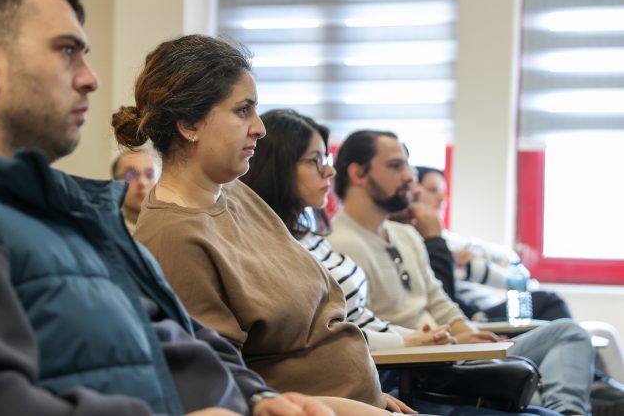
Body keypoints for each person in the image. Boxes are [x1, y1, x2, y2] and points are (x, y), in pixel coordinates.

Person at [0, 0, 336, 415]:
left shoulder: (71, 214)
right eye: (66, 51)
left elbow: (182, 334)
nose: (90, 77)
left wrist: (257, 398)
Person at [116, 34, 408, 415]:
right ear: (189, 123)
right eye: (243, 111)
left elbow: (316, 332)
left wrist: (370, 396)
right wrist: (355, 407)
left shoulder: (235, 193)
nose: (259, 128)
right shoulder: (174, 237)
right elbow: (225, 386)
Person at [240, 109, 570, 416]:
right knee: (557, 345)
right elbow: (328, 337)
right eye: (316, 160)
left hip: (415, 362)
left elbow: (374, 315)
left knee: (559, 341)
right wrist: (412, 340)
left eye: (326, 158)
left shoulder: (316, 239)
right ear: (281, 168)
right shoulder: (309, 244)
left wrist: (447, 333)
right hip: (403, 374)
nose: (329, 169)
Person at [327, 130, 595, 416]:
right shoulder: (337, 244)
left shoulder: (405, 235)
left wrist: (466, 331)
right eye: (396, 166)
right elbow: (364, 330)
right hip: (423, 368)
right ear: (358, 173)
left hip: (456, 354)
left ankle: (566, 410)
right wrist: (450, 341)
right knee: (547, 381)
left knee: (568, 332)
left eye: (407, 165)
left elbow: (438, 298)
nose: (409, 176)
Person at [414, 166, 572, 322]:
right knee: (549, 301)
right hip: (477, 314)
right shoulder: (423, 241)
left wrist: (479, 254)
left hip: (491, 305)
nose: (442, 198)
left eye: (443, 191)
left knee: (550, 325)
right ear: (414, 193)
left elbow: (507, 256)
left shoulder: (451, 239)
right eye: (433, 190)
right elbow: (506, 275)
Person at [111, 148, 159, 233]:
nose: (142, 183)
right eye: (130, 175)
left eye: (149, 175)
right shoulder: (107, 232)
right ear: (115, 184)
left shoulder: (173, 228)